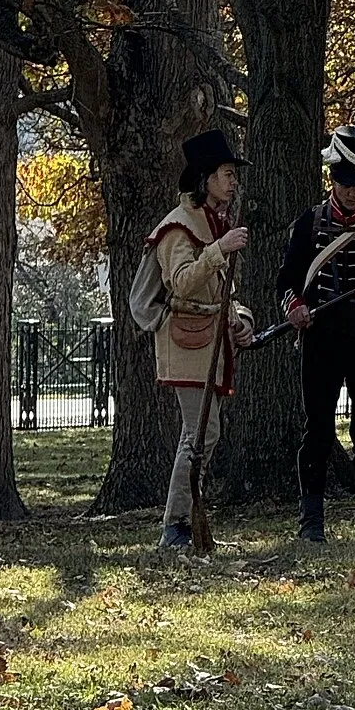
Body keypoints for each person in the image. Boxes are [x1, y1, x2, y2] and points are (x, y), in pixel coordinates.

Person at [277, 104, 355, 544]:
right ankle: (311, 524)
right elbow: (287, 283)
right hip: (321, 342)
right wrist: (294, 307)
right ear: (334, 179)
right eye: (347, 183)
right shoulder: (308, 224)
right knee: (317, 430)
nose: (354, 192)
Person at [145, 127, 253, 550]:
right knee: (199, 434)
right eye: (226, 173)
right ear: (206, 178)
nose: (232, 181)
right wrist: (219, 250)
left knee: (205, 433)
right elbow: (184, 283)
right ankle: (175, 525)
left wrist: (240, 318)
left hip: (211, 340)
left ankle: (188, 522)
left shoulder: (213, 222)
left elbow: (222, 293)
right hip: (186, 344)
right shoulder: (177, 228)